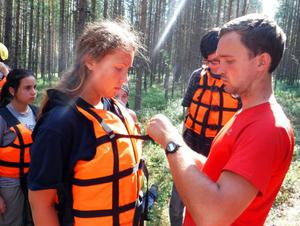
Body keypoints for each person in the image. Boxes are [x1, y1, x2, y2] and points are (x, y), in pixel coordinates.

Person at [146, 13, 294, 226]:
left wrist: (172, 143)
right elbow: (217, 171)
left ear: (261, 62)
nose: (219, 69)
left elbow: (212, 216)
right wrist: (176, 142)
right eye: (217, 60)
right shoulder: (247, 113)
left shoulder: (268, 129)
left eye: (229, 61)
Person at [28, 21, 148, 226]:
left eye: (128, 69)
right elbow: (41, 204)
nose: (125, 78)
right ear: (90, 62)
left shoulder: (116, 110)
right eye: (118, 68)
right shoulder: (58, 126)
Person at [170, 28, 241, 226]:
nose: (213, 67)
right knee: (178, 198)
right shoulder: (197, 76)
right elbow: (188, 109)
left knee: (209, 201)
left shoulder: (237, 83)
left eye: (217, 61)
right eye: (209, 61)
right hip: (191, 141)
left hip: (219, 150)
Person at [0, 69, 37, 226]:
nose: (33, 92)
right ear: (12, 90)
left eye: (34, 87)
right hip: (8, 184)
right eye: (27, 88)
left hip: (34, 181)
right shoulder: (2, 118)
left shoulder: (38, 113)